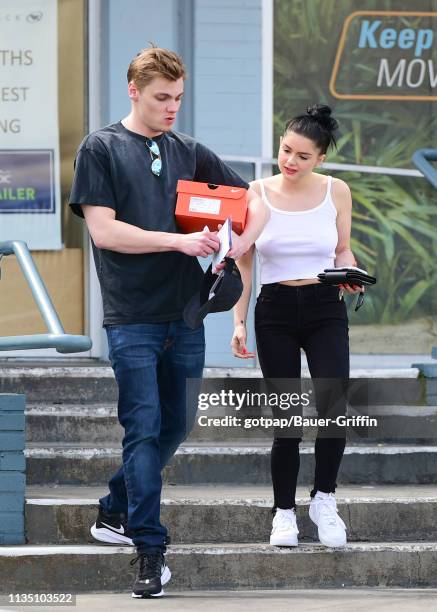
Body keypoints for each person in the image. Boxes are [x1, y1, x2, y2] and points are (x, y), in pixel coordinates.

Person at [69, 44, 266, 598]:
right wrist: (179, 242)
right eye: (162, 97)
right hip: (131, 316)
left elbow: (254, 199)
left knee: (175, 424)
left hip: (186, 315)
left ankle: (114, 507)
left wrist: (239, 244)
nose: (172, 106)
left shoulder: (188, 149)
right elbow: (105, 231)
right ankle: (150, 551)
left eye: (178, 97)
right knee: (144, 425)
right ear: (134, 91)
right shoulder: (100, 148)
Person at [231, 104, 363, 549]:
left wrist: (351, 271)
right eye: (286, 150)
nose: (290, 162)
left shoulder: (336, 191)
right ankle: (283, 512)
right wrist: (239, 321)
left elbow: (342, 249)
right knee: (285, 417)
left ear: (320, 158)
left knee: (333, 408)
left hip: (326, 306)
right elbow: (245, 263)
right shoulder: (256, 191)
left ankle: (324, 500)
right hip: (276, 310)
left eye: (302, 156)